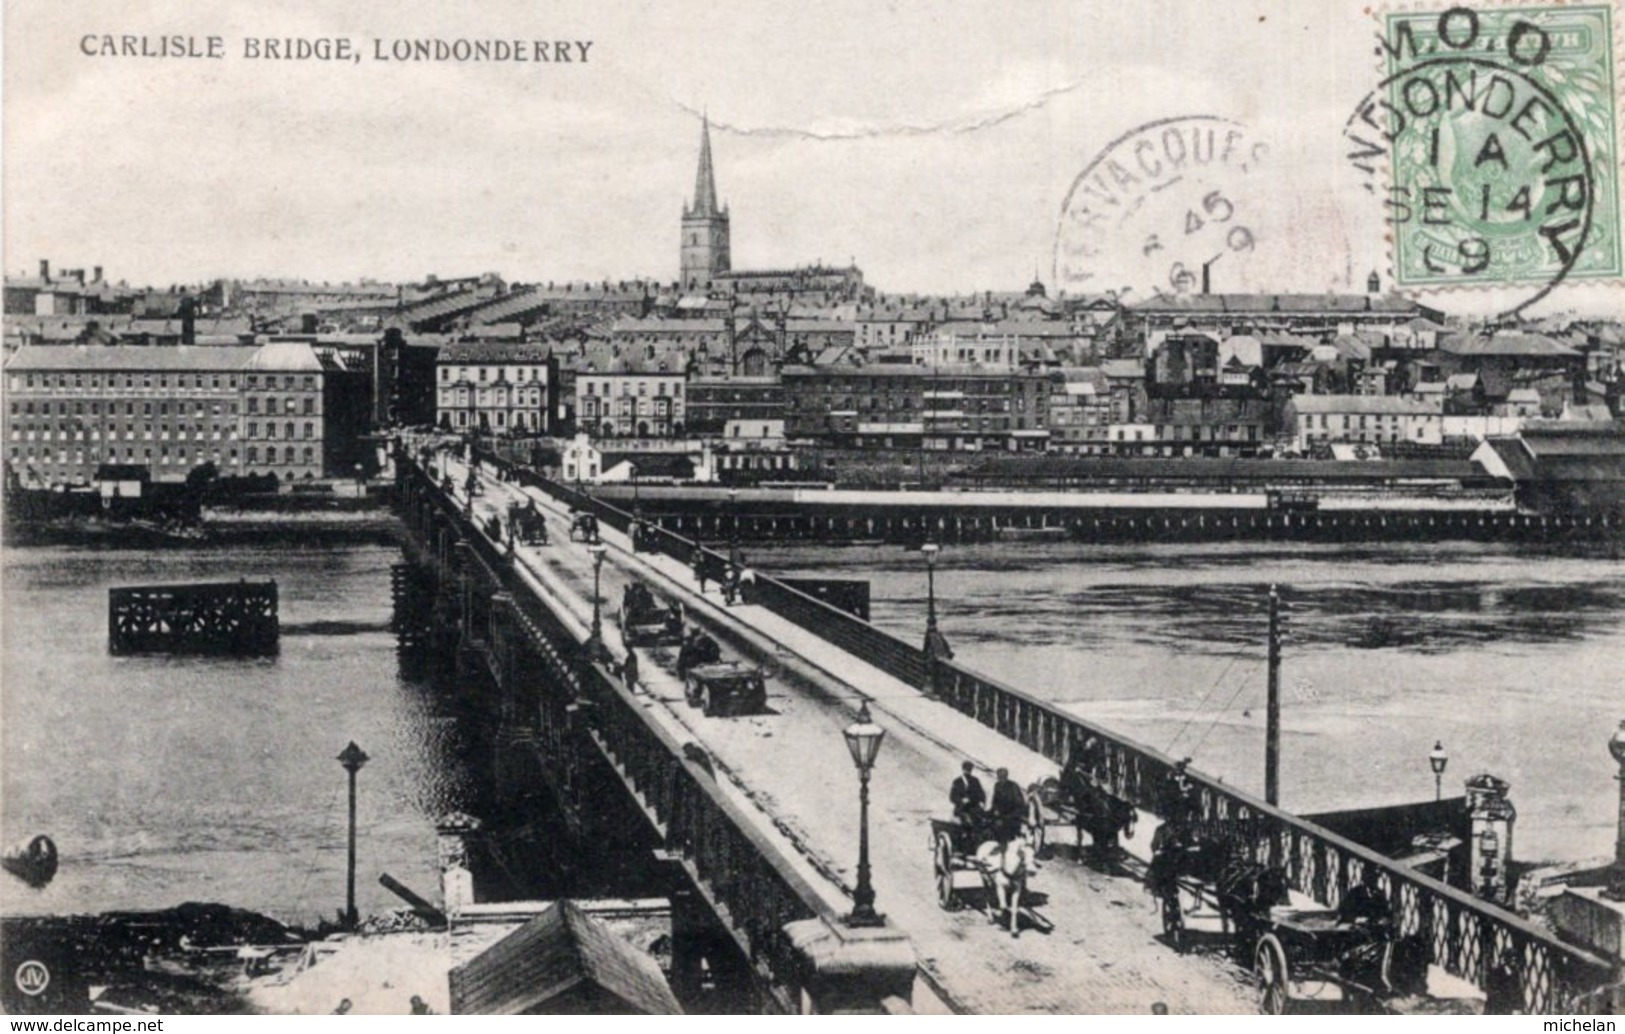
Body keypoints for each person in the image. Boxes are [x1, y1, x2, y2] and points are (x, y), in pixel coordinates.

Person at [990, 767, 1026, 844]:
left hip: (1012, 816)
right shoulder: (997, 785)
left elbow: (1020, 805)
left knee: (1000, 826)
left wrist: (1009, 816)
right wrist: (995, 809)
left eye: (1003, 777)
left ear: (1006, 777)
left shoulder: (1013, 787)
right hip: (1000, 814)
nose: (1001, 780)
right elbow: (995, 801)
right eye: (999, 777)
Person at [949, 761, 986, 829]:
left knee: (984, 820)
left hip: (974, 808)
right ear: (963, 769)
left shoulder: (975, 780)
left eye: (970, 770)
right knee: (968, 821)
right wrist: (961, 800)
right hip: (962, 809)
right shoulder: (957, 781)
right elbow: (952, 797)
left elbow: (981, 793)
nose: (968, 772)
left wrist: (982, 802)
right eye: (966, 770)